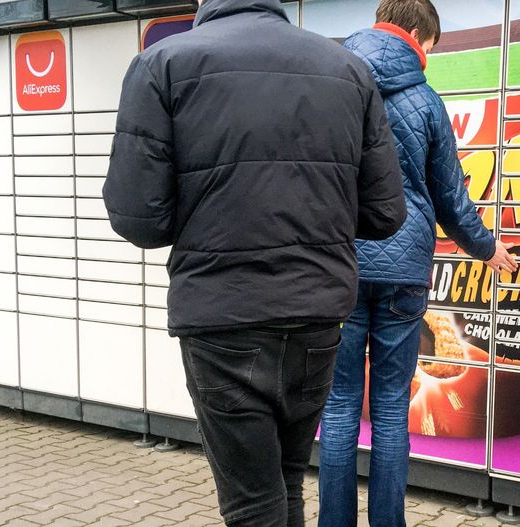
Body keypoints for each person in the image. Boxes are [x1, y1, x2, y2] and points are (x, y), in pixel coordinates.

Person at [101, 0, 407, 525]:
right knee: (286, 482)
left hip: (222, 316)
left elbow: (139, 219)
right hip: (316, 312)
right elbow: (385, 213)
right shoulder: (347, 69)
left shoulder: (162, 64)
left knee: (252, 503)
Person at [318, 1, 518, 526]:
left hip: (341, 265)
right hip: (403, 271)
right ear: (413, 33)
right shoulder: (426, 102)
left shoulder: (331, 89)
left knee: (338, 406)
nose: (427, 55)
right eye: (429, 45)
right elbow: (451, 198)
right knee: (389, 408)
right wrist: (487, 248)